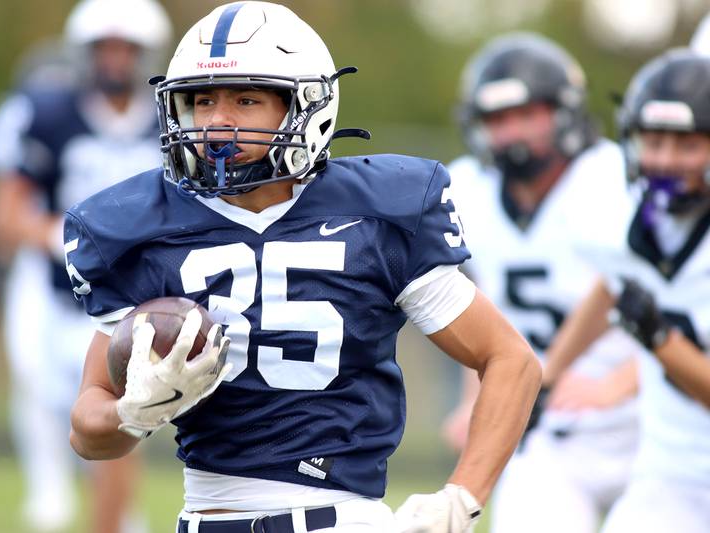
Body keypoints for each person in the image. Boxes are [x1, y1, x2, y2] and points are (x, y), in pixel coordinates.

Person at [64, 2, 541, 533]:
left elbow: (511, 361)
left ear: (306, 104)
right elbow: (87, 430)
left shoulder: (377, 213)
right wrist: (132, 412)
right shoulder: (144, 225)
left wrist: (460, 499)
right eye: (202, 100)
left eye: (246, 99)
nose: (218, 123)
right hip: (203, 517)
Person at [0, 0, 172, 531]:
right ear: (83, 53)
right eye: (103, 48)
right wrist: (58, 238)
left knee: (121, 411)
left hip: (129, 296)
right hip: (52, 290)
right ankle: (51, 494)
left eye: (126, 48)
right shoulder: (49, 112)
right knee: (44, 396)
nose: (114, 59)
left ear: (144, 54)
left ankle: (111, 520)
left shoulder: (166, 120)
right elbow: (7, 209)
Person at [441, 34, 643, 533]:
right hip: (549, 427)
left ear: (564, 113)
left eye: (526, 115)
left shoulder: (612, 178)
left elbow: (680, 302)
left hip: (647, 419)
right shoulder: (467, 189)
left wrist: (615, 384)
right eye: (498, 120)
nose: (512, 133)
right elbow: (479, 308)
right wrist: (476, 400)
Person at [540, 48, 710, 533]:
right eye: (652, 142)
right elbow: (615, 283)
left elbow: (639, 310)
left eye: (687, 145)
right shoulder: (619, 214)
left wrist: (659, 340)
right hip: (670, 476)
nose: (665, 161)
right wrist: (550, 372)